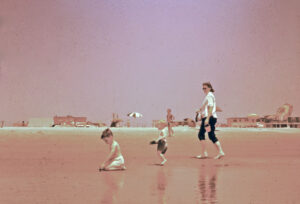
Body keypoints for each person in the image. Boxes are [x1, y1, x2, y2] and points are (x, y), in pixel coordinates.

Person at [196, 82, 225, 159]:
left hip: (209, 119)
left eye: (205, 88)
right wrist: (200, 111)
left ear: (209, 88)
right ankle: (217, 152)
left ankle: (206, 153)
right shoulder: (210, 96)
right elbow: (205, 105)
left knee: (202, 134)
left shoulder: (209, 95)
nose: (204, 90)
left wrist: (207, 118)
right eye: (203, 88)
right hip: (210, 118)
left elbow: (211, 107)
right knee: (210, 135)